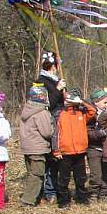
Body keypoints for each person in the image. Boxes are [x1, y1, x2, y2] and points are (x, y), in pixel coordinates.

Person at [56, 89, 95, 208]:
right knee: (64, 178)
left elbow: (93, 111)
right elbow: (55, 134)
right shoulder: (60, 114)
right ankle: (63, 200)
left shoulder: (81, 113)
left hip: (80, 150)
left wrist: (81, 102)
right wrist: (56, 150)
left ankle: (82, 198)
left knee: (81, 177)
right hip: (65, 151)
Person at [36, 51, 65, 203]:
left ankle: (57, 188)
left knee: (58, 159)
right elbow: (45, 104)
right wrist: (58, 90)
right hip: (49, 121)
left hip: (60, 120)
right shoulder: (41, 82)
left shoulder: (56, 80)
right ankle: (48, 190)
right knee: (50, 158)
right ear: (53, 66)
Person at [86, 88, 107, 200]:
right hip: (93, 148)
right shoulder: (91, 115)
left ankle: (104, 193)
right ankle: (93, 193)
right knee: (96, 173)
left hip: (105, 148)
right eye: (104, 102)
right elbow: (88, 131)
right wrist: (99, 133)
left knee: (105, 173)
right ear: (96, 102)